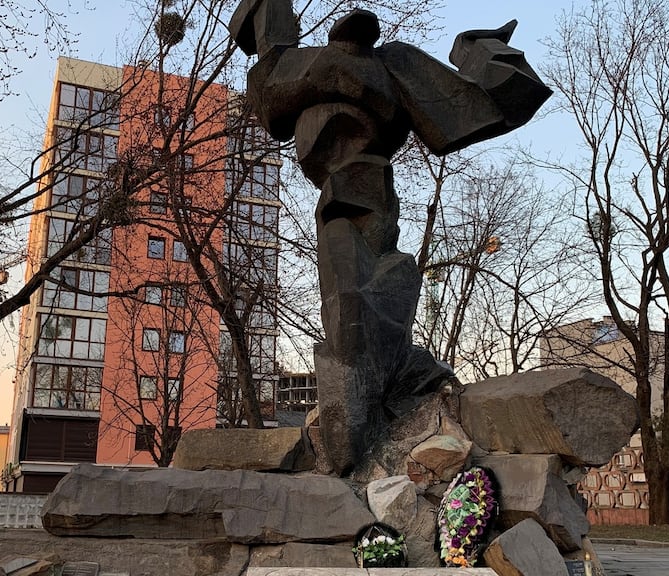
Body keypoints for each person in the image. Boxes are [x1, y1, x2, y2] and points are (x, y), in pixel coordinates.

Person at [231, 0, 551, 474]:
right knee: (354, 313)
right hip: (345, 201)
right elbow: (273, 94)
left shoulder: (390, 63)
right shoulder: (291, 70)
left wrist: (477, 50)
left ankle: (372, 428)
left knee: (360, 312)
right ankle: (375, 423)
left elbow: (485, 108)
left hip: (369, 200)